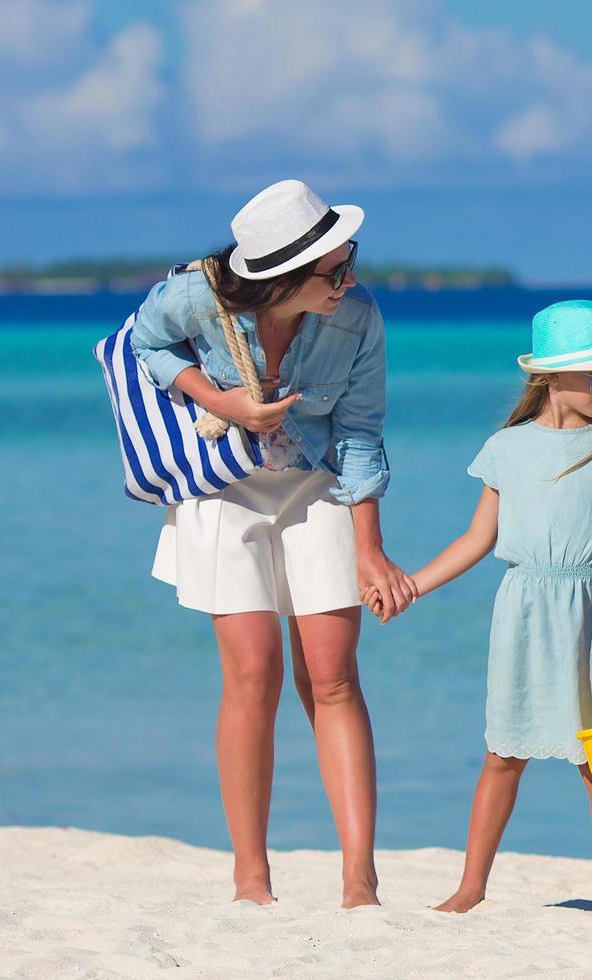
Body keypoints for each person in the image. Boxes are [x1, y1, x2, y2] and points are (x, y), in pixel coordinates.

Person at [129, 178, 409, 906]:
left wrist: (370, 547)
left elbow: (358, 431)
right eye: (334, 272)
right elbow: (144, 342)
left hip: (315, 483)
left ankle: (359, 879)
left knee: (333, 673)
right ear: (282, 278)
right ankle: (251, 878)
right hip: (223, 485)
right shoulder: (198, 298)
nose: (349, 282)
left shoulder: (358, 318)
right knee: (253, 673)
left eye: (351, 263)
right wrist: (220, 401)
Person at [384, 300, 592, 919]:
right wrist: (411, 588)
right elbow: (478, 539)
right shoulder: (506, 448)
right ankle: (472, 885)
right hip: (524, 611)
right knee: (503, 751)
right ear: (552, 377)